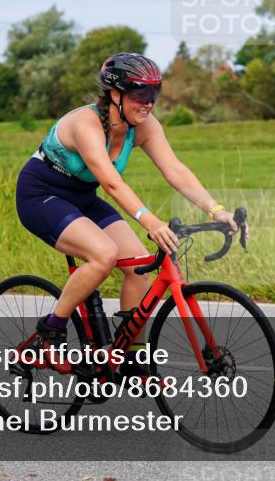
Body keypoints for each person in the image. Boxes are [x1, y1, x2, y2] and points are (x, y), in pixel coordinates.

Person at [15, 52, 239, 372]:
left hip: (82, 196)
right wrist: (150, 221)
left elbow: (175, 170)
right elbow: (111, 183)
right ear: (115, 94)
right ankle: (50, 332)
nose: (148, 103)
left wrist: (216, 209)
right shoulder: (85, 124)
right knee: (103, 254)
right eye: (140, 95)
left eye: (153, 95)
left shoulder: (144, 126)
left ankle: (130, 356)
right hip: (42, 195)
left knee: (141, 266)